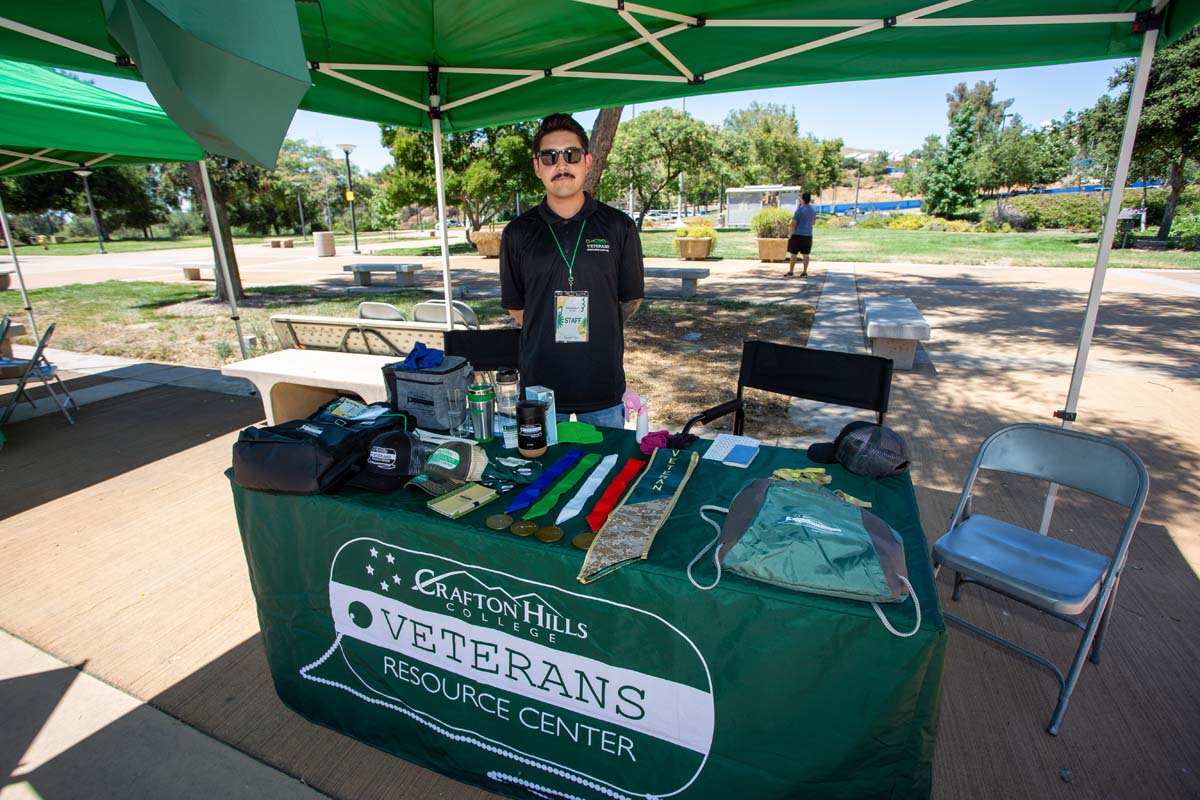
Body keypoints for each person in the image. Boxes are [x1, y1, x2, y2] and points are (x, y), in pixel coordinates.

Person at [499, 113, 644, 429]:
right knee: (543, 475)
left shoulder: (620, 227)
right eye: (549, 157)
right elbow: (516, 306)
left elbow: (630, 300)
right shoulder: (517, 233)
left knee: (606, 473)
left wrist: (600, 324)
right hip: (541, 390)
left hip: (603, 388)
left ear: (587, 162)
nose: (561, 164)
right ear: (538, 167)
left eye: (571, 155)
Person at [786, 192, 817, 277]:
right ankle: (804, 271)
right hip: (808, 235)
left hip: (797, 235)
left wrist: (790, 234)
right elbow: (813, 222)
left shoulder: (799, 210)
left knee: (793, 254)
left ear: (802, 200)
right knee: (806, 254)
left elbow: (793, 223)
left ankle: (791, 271)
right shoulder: (813, 210)